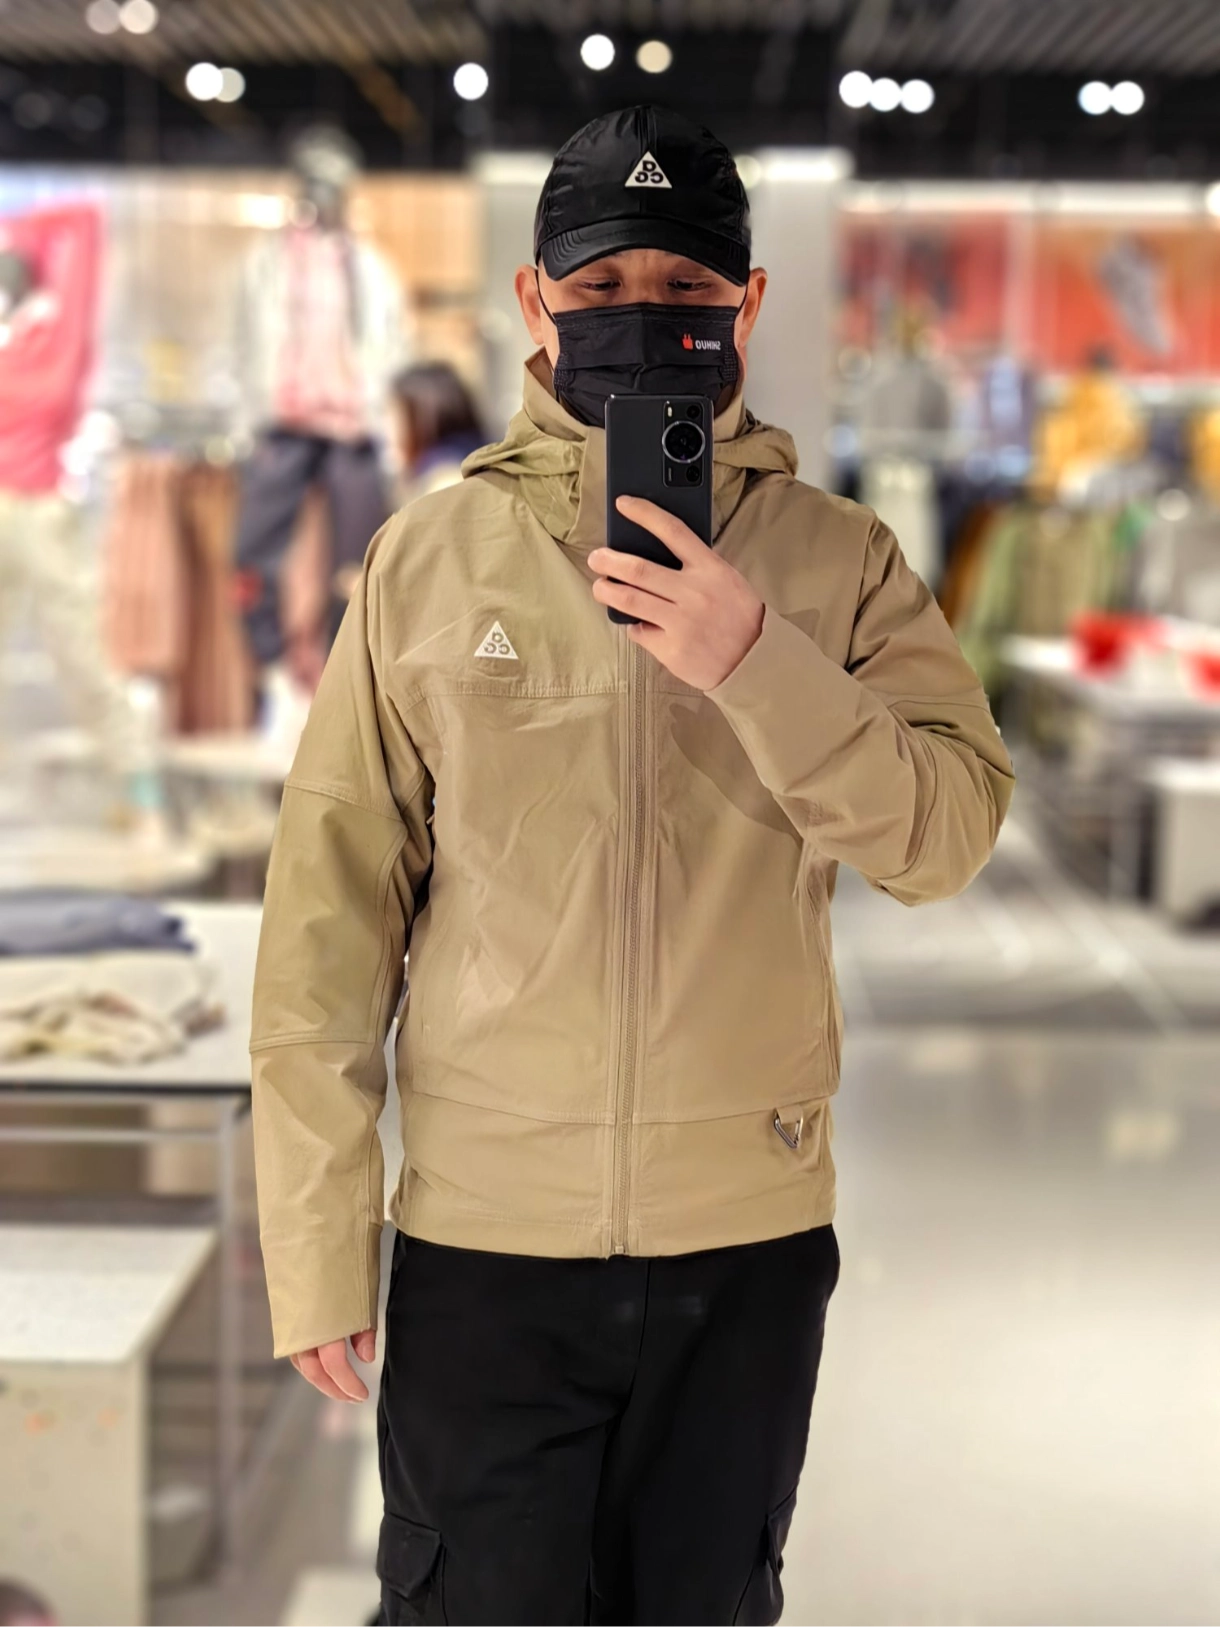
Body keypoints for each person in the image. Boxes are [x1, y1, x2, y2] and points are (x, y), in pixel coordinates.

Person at [250, 105, 1015, 1626]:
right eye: (599, 291)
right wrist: (318, 1234)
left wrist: (757, 660)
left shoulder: (842, 561)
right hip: (485, 1239)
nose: (639, 321)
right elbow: (328, 918)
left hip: (745, 1240)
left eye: (682, 290)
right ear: (535, 301)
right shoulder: (427, 558)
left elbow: (944, 838)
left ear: (748, 302)